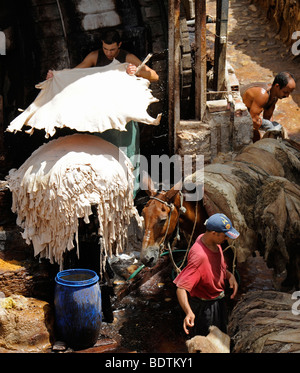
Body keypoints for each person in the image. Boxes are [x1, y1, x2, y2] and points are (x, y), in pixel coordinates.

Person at [173, 213, 239, 337]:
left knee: (222, 336)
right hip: (205, 308)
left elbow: (217, 267)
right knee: (208, 342)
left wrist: (230, 276)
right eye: (225, 236)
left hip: (217, 301)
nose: (226, 239)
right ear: (214, 233)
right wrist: (189, 312)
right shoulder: (200, 257)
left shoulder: (210, 241)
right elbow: (181, 288)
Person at [46, 30, 159, 82]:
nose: (108, 53)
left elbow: (154, 76)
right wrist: (56, 75)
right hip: (102, 100)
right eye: (105, 49)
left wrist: (137, 71)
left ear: (119, 45)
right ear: (102, 44)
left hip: (122, 101)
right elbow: (74, 72)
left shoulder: (128, 57)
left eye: (112, 50)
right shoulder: (94, 56)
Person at [241, 71, 296, 138]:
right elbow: (254, 120)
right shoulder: (262, 95)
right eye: (285, 92)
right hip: (238, 110)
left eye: (289, 93)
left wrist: (272, 129)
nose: (287, 96)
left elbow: (268, 116)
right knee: (256, 137)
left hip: (250, 111)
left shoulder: (274, 96)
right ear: (277, 86)